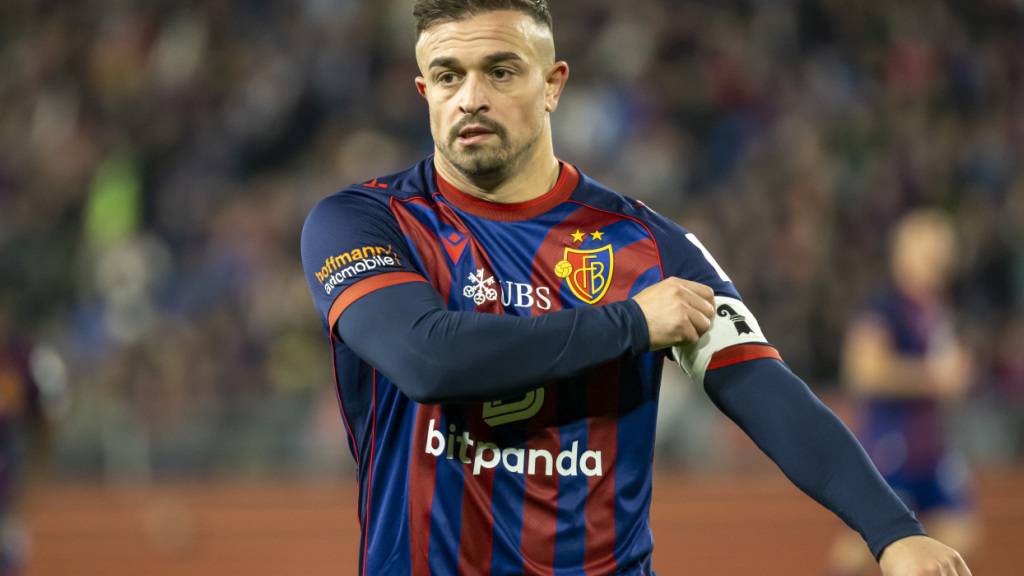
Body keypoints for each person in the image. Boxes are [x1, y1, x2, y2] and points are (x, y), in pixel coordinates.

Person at [300, 1, 972, 573]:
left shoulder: (651, 245)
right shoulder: (361, 222)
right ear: (424, 92)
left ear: (553, 84)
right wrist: (633, 323)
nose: (471, 97)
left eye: (500, 71)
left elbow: (764, 387)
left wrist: (893, 532)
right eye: (449, 75)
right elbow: (429, 358)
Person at [826, 210, 979, 576]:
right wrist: (932, 377)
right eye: (931, 247)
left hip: (932, 448)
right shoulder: (884, 308)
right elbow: (865, 371)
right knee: (868, 544)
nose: (941, 257)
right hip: (890, 445)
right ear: (904, 252)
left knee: (960, 533)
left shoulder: (938, 308)